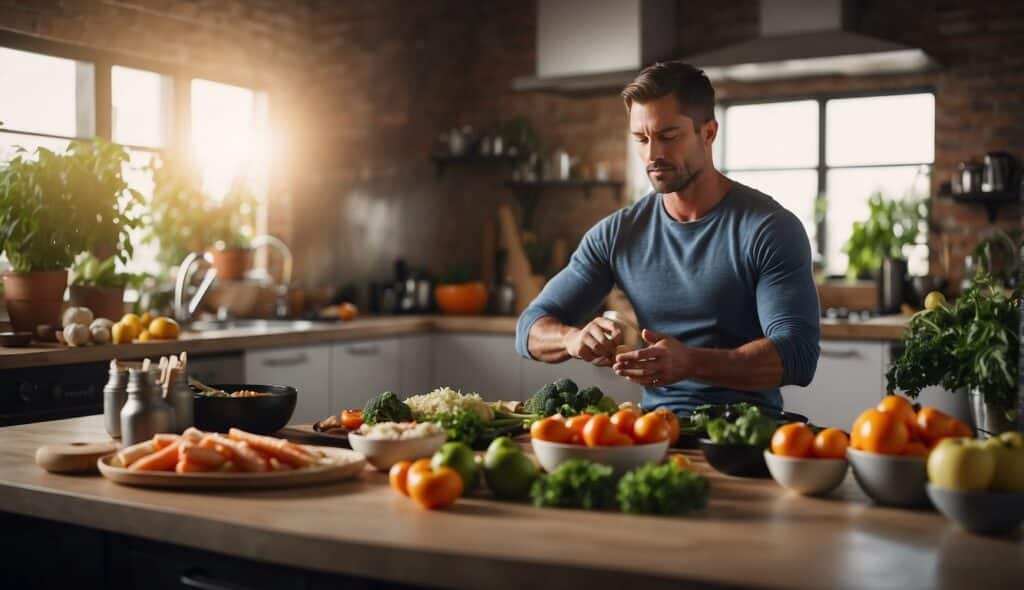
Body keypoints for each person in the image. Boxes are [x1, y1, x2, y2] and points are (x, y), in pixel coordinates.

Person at [514, 61, 820, 416]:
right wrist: (572, 339)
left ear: (708, 133)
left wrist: (691, 362)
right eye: (641, 139)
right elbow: (529, 328)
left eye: (668, 136)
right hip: (654, 432)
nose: (652, 154)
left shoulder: (769, 228)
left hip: (745, 435)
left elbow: (798, 356)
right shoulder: (617, 233)